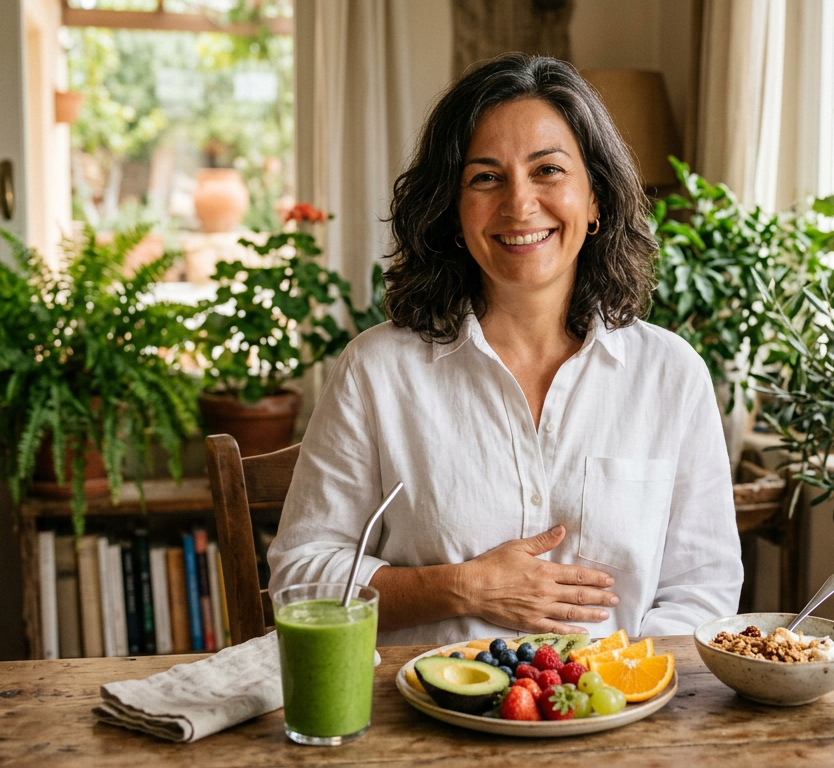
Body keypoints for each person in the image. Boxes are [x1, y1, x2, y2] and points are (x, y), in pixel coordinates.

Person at [267, 53, 743, 646]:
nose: (519, 205)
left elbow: (702, 590)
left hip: (620, 721)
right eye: (486, 177)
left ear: (595, 199)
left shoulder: (672, 376)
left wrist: (615, 684)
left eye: (548, 170)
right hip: (424, 720)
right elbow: (300, 579)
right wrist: (462, 587)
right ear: (453, 212)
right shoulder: (376, 371)